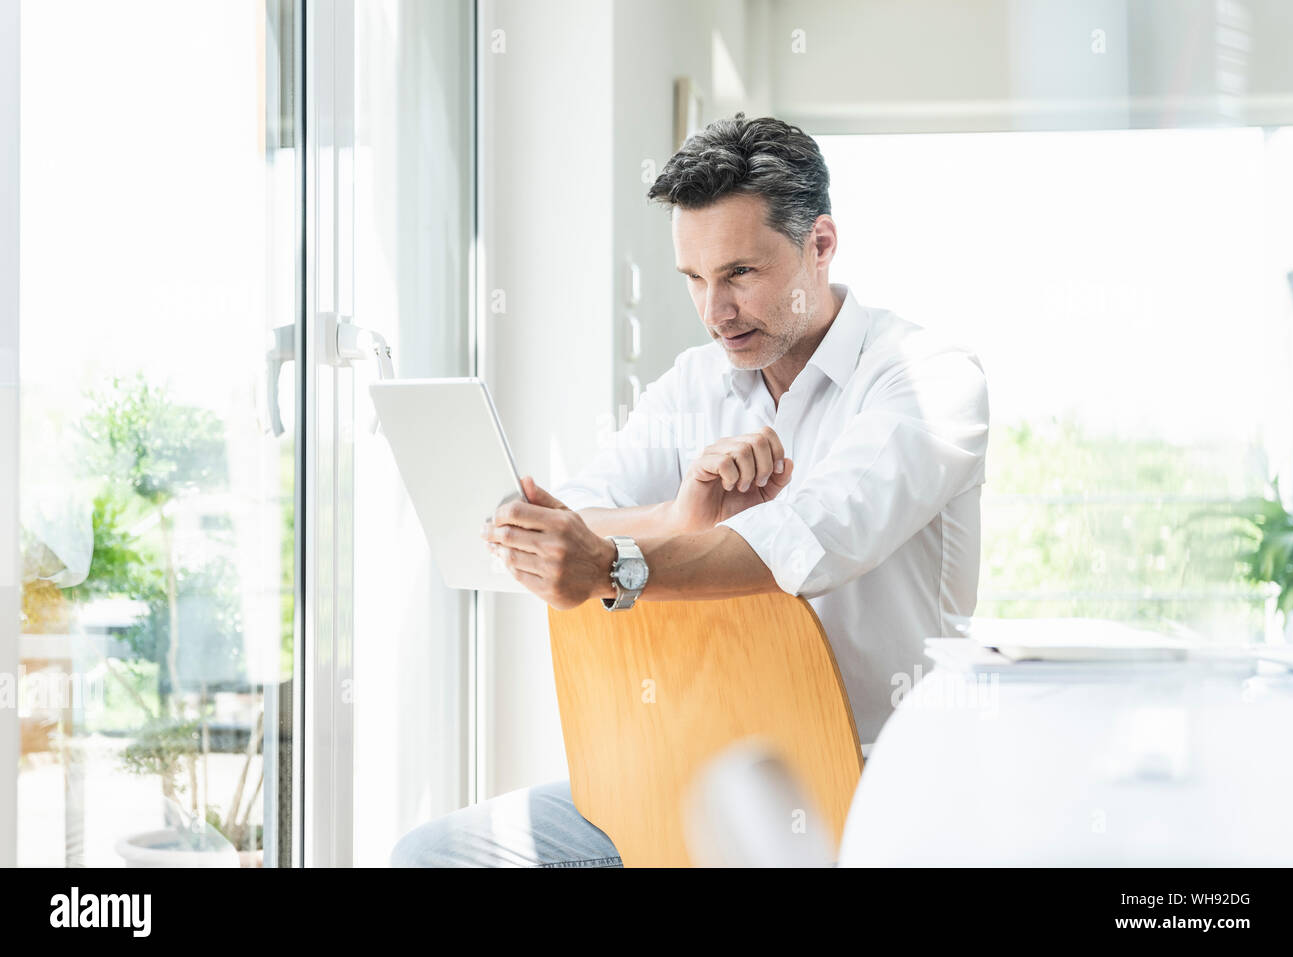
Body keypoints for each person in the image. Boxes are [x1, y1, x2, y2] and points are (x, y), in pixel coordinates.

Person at [391, 113, 988, 867]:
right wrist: (679, 516)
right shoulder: (694, 383)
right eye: (695, 279)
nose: (715, 312)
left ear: (820, 245)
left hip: (872, 785)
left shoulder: (927, 380)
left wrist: (616, 567)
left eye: (740, 273)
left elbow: (811, 539)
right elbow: (575, 511)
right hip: (687, 765)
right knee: (432, 855)